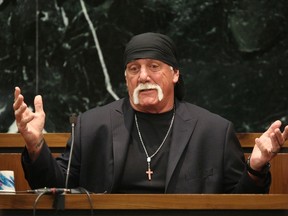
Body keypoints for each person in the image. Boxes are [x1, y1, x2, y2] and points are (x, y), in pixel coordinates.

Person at [13, 32, 288, 194]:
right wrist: (36, 144)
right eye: (134, 68)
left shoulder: (213, 131)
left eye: (154, 66)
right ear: (125, 77)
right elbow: (54, 188)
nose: (143, 76)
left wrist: (256, 166)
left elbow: (239, 203)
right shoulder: (92, 125)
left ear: (176, 74)